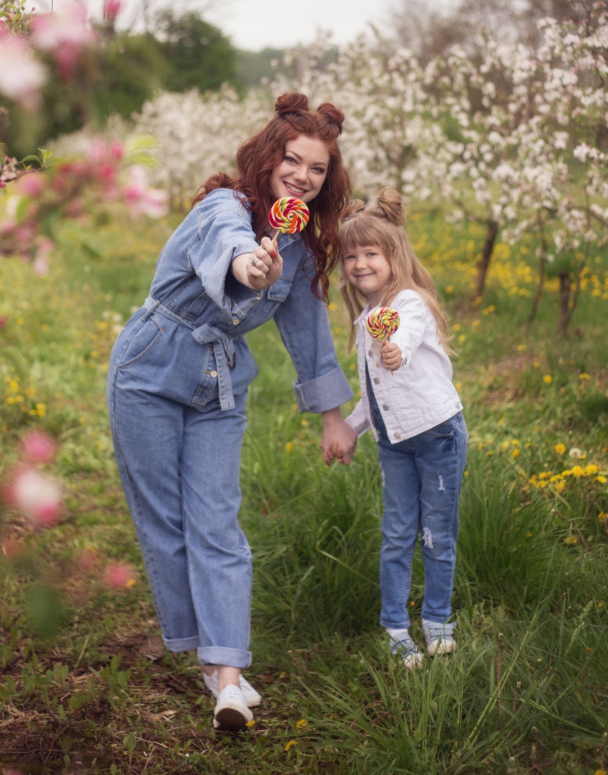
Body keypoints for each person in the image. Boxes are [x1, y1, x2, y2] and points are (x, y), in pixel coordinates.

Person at [107, 93, 357, 730]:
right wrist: (253, 262)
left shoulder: (300, 248)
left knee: (217, 522)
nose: (302, 175)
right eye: (292, 161)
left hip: (219, 384)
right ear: (268, 158)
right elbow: (232, 252)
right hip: (151, 370)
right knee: (165, 520)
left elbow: (307, 329)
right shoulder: (223, 207)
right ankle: (203, 654)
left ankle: (227, 677)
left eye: (317, 169)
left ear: (328, 179)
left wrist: (332, 415)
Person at [337, 187, 468, 670]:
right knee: (397, 533)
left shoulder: (409, 304)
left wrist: (395, 349)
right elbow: (376, 394)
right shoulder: (367, 317)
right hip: (394, 442)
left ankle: (437, 621)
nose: (359, 263)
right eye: (350, 256)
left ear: (394, 255)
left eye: (370, 253)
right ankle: (395, 626)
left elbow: (405, 337)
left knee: (436, 533)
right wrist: (351, 428)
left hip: (437, 435)